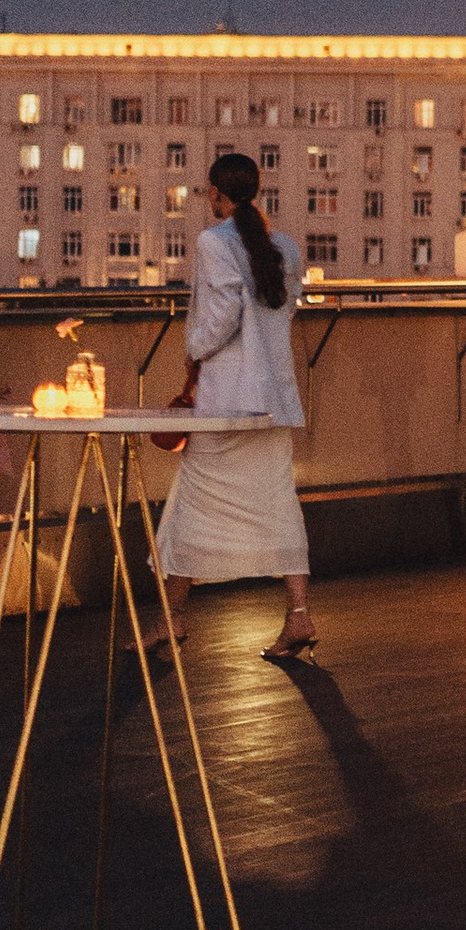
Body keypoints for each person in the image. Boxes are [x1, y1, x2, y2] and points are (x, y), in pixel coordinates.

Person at [154, 154, 316, 663]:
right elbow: (282, 309)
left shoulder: (213, 241)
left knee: (192, 500)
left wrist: (195, 348)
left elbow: (220, 315)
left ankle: (173, 618)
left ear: (214, 194)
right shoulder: (285, 246)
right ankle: (299, 616)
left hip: (227, 399)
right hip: (272, 401)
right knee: (277, 502)